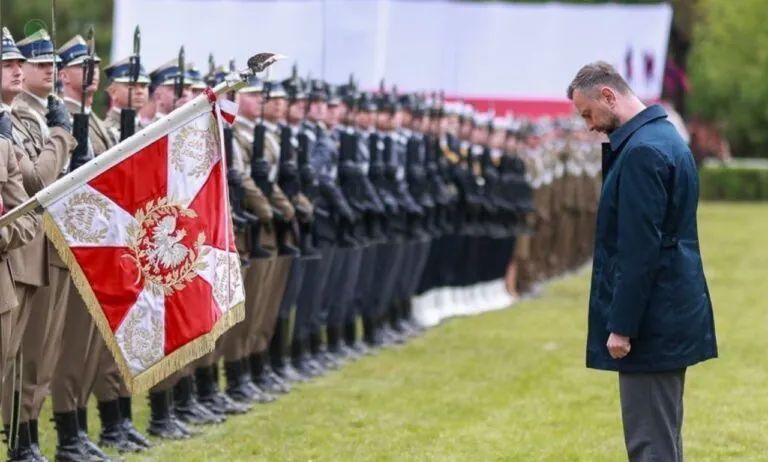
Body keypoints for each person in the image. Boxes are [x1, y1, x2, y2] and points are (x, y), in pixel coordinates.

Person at [567, 61, 718, 462]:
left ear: (608, 95)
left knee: (650, 446)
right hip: (669, 311)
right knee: (661, 439)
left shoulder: (642, 152)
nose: (589, 125)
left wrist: (622, 326)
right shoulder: (664, 137)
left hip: (653, 322)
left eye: (588, 114)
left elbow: (639, 250)